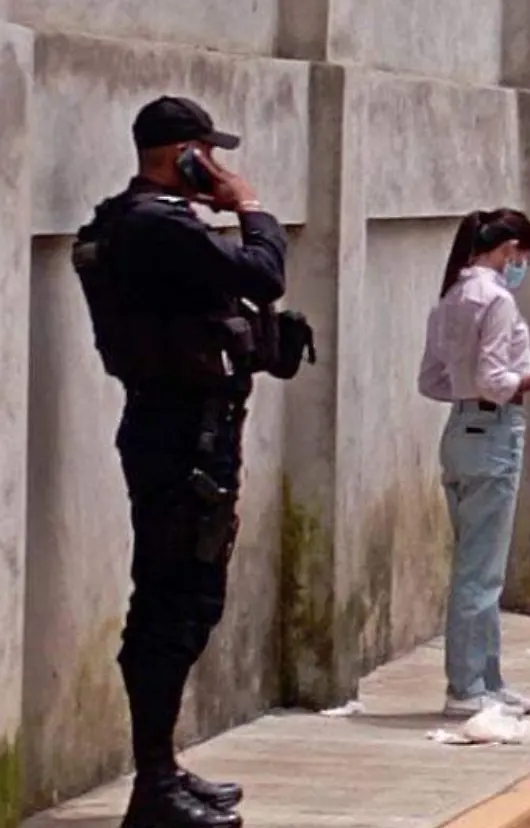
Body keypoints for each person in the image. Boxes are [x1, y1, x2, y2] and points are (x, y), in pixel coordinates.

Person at [71, 97, 289, 828]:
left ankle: (161, 770)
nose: (219, 169)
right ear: (184, 156)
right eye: (207, 155)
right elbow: (264, 272)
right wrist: (248, 203)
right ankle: (153, 787)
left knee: (182, 598)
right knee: (176, 601)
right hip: (182, 435)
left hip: (182, 427)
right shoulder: (154, 227)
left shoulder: (139, 224)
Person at [418, 208, 530, 717]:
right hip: (493, 431)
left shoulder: (451, 297)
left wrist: (478, 386)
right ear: (509, 249)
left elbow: (432, 381)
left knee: (477, 564)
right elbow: (495, 381)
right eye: (522, 257)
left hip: (461, 430)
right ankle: (466, 687)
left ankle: (487, 679)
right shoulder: (496, 300)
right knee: (480, 572)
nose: (521, 266)